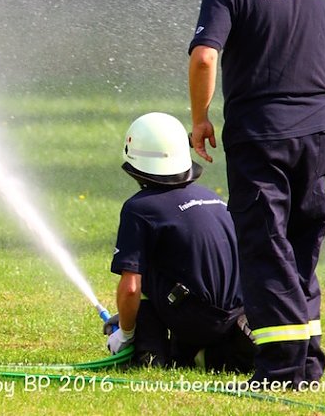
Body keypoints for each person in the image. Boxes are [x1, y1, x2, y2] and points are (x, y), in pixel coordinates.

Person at [188, 0, 325, 387]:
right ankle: (307, 363)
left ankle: (282, 370)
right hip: (315, 135)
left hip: (259, 135)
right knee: (303, 240)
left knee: (266, 245)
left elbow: (204, 56)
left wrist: (200, 117)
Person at [105, 112, 255, 372]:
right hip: (238, 311)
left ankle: (149, 352)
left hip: (197, 319)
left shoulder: (140, 208)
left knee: (143, 268)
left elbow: (131, 288)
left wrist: (125, 334)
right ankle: (213, 351)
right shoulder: (212, 198)